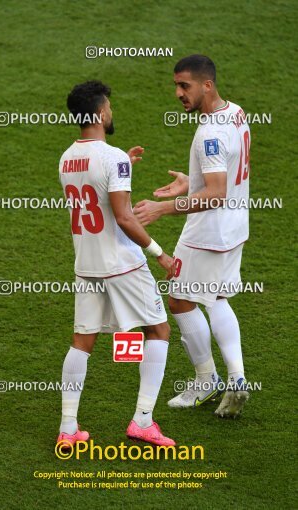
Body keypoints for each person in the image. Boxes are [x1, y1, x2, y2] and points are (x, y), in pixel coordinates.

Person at [57, 80, 176, 450]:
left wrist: (120, 162)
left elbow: (95, 187)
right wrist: (160, 253)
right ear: (99, 112)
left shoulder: (67, 158)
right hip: (123, 264)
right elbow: (124, 218)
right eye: (108, 106)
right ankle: (142, 421)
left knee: (81, 343)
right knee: (158, 331)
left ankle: (68, 428)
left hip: (87, 265)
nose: (111, 112)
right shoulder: (113, 160)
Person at [134, 55, 250, 418]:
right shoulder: (236, 112)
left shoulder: (209, 133)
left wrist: (160, 209)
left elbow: (216, 192)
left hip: (208, 231)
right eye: (176, 86)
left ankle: (207, 379)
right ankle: (237, 378)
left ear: (207, 85)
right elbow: (226, 172)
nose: (178, 93)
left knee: (180, 300)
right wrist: (191, 181)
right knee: (215, 298)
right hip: (234, 227)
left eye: (184, 86)